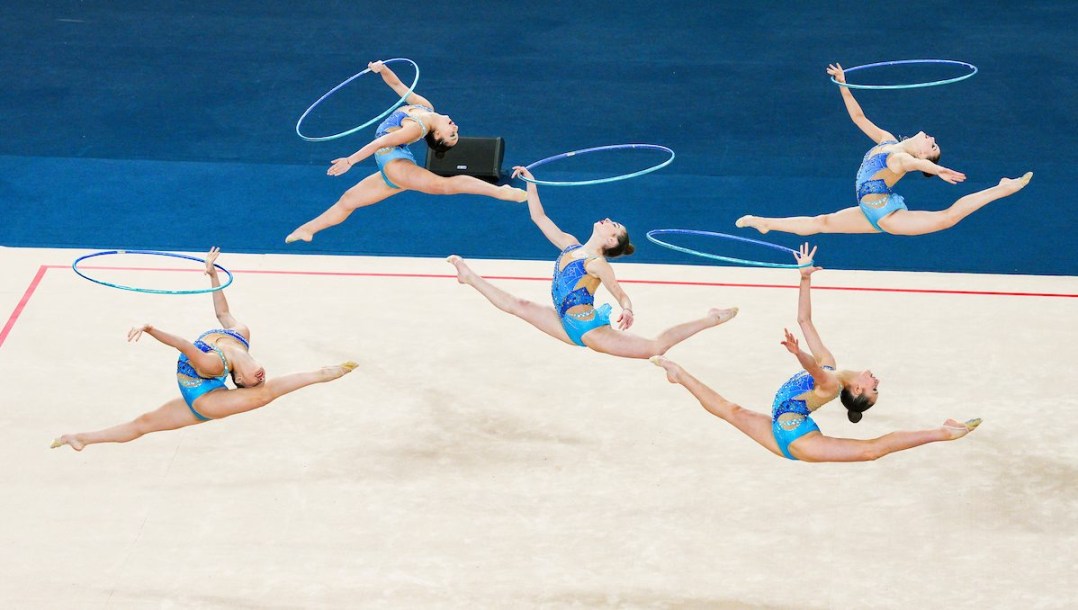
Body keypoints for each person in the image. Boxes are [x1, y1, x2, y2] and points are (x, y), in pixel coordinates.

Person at [650, 244, 981, 462]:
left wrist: (797, 354)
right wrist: (805, 277)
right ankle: (677, 373)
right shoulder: (830, 365)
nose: (876, 380)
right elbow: (804, 320)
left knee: (870, 451)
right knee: (729, 410)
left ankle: (944, 432)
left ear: (856, 390)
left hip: (797, 439)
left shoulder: (830, 385)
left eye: (873, 388)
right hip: (786, 426)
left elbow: (814, 372)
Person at [51, 248, 358, 451]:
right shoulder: (227, 350)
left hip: (206, 395)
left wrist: (152, 325)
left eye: (253, 381)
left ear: (238, 381)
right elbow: (203, 329)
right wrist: (209, 280)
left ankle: (322, 374)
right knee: (144, 423)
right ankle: (80, 438)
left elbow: (203, 329)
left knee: (264, 397)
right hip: (201, 392)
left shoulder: (227, 350)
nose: (259, 377)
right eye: (257, 380)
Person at [446, 166, 738, 359]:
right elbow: (539, 218)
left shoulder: (597, 264)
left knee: (655, 347)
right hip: (563, 319)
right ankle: (468, 277)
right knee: (517, 305)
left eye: (615, 226)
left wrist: (626, 308)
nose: (609, 221)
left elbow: (619, 291)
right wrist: (532, 184)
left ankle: (711, 318)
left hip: (588, 329)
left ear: (611, 241)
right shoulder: (569, 244)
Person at [735, 63, 1032, 236]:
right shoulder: (886, 140)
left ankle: (1002, 188)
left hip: (887, 216)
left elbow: (917, 165)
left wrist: (937, 168)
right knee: (820, 223)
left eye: (933, 146)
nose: (931, 138)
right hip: (867, 210)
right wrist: (843, 84)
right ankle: (762, 222)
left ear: (922, 153)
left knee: (946, 218)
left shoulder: (899, 159)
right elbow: (858, 118)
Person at [286, 61, 527, 243]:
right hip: (390, 168)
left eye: (451, 135)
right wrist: (382, 70)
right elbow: (398, 85)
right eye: (455, 134)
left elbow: (380, 144)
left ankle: (501, 192)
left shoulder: (415, 129)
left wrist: (350, 160)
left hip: (395, 165)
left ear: (436, 136)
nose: (456, 129)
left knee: (444, 186)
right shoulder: (425, 107)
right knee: (348, 199)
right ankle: (307, 229)